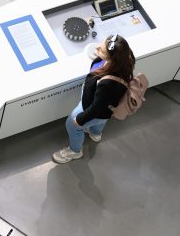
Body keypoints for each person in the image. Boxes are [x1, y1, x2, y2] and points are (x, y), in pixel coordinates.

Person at [52, 33, 135, 163]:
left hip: (91, 107)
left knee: (71, 125)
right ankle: (95, 134)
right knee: (101, 120)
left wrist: (79, 120)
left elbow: (96, 108)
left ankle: (75, 151)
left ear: (113, 58)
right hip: (107, 110)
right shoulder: (124, 62)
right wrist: (102, 56)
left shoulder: (108, 84)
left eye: (101, 50)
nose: (96, 49)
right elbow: (102, 105)